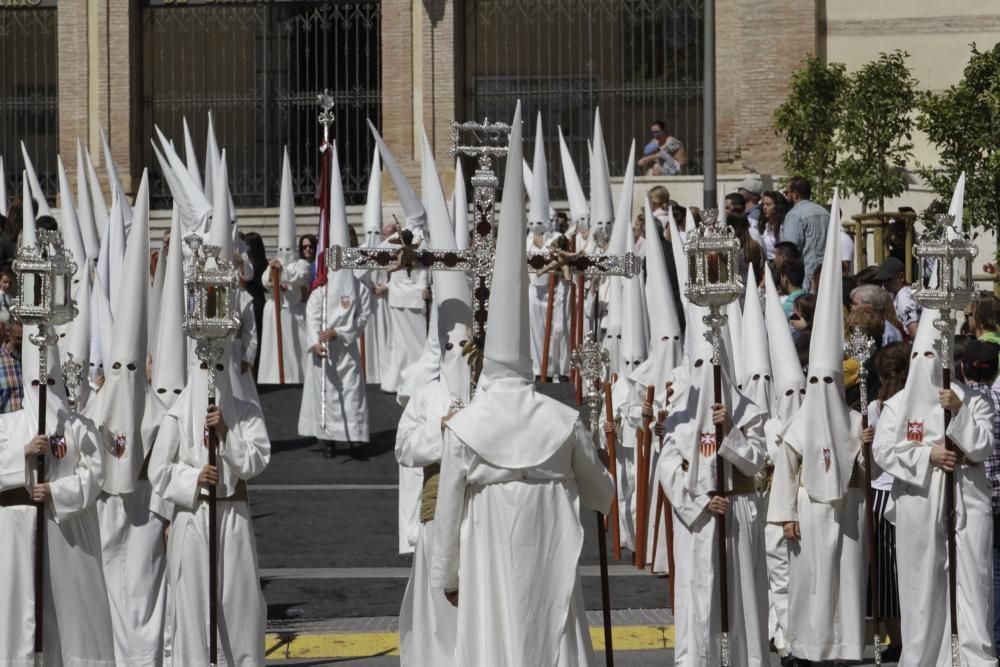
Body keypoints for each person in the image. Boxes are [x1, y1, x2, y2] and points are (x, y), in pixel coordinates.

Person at [431, 105, 614, 667]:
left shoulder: (466, 426)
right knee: (551, 632)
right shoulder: (562, 421)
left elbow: (449, 509)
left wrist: (448, 574)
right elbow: (602, 494)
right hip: (551, 543)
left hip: (487, 545)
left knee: (496, 639)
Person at [768, 201, 869, 663]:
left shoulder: (853, 421)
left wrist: (865, 450)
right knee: (810, 581)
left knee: (847, 582)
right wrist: (786, 513)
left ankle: (846, 647)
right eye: (817, 382)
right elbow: (787, 468)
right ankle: (807, 646)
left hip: (847, 510)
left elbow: (867, 470)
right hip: (809, 509)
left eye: (831, 382)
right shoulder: (797, 422)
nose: (824, 389)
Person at [873, 314, 997, 666]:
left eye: (933, 356)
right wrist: (928, 453)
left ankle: (972, 656)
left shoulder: (972, 399)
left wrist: (958, 414)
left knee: (972, 579)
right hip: (919, 502)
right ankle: (925, 656)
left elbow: (983, 445)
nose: (926, 366)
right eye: (920, 356)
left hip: (967, 499)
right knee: (922, 584)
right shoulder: (898, 406)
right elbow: (883, 451)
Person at [657, 302, 770, 665]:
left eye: (714, 367)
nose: (707, 376)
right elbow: (668, 466)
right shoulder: (680, 415)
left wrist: (730, 433)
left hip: (737, 514)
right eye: (700, 367)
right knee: (696, 595)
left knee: (740, 598)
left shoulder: (747, 411)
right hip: (698, 520)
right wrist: (700, 502)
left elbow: (755, 463)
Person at [0, 336, 116, 666]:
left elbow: (94, 475)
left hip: (67, 533)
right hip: (18, 534)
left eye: (49, 381)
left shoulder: (79, 427)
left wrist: (55, 492)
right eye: (36, 382)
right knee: (19, 617)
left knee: (70, 614)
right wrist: (23, 454)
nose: (43, 389)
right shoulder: (8, 425)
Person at [298, 144, 372, 458]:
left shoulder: (360, 290)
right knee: (325, 394)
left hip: (346, 350)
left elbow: (362, 320)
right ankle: (328, 440)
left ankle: (355, 439)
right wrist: (317, 341)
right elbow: (311, 317)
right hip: (324, 353)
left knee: (352, 394)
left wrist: (340, 333)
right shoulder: (319, 291)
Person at [866, 341, 910, 663]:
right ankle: (898, 638)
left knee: (898, 571)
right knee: (888, 574)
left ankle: (904, 637)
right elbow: (877, 462)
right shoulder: (877, 408)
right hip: (884, 492)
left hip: (896, 492)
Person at [258, 153, 310, 385]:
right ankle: (273, 378)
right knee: (275, 352)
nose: (285, 252)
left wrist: (284, 273)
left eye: (288, 248)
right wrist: (274, 273)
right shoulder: (273, 263)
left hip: (294, 311)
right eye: (282, 248)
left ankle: (296, 378)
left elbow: (301, 276)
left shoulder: (301, 263)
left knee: (296, 350)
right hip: (276, 311)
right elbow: (265, 282)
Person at [963, 340, 1000, 650]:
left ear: (963, 368)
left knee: (984, 572)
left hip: (978, 497)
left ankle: (992, 637)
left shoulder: (963, 404)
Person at [780, 176, 829, 291]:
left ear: (795, 194)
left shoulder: (794, 214)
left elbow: (790, 248)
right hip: (828, 272)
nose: (786, 195)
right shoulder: (825, 212)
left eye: (787, 192)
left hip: (808, 277)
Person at [873, 256, 921, 339]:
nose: (885, 284)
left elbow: (914, 332)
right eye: (882, 280)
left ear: (901, 276)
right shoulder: (898, 294)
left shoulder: (904, 297)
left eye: (888, 279)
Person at [760, 190, 789, 262]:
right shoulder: (765, 225)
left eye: (768, 204)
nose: (764, 207)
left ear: (777, 206)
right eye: (763, 204)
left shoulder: (783, 226)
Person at [0, 320, 22, 413]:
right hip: (5, 425)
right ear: (9, 332)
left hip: (32, 425)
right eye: (19, 338)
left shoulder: (36, 359)